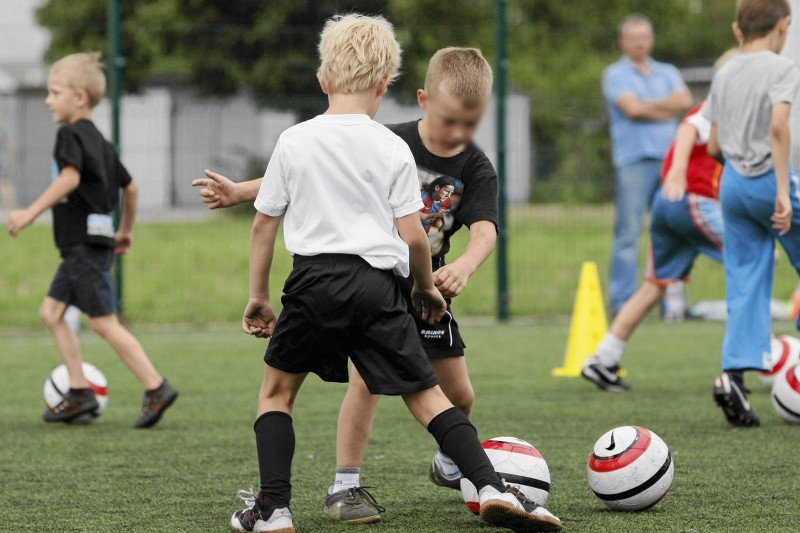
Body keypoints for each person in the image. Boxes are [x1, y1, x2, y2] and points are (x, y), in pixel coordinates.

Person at [227, 15, 562, 533]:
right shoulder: (391, 147)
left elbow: (264, 227)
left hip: (313, 282)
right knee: (427, 395)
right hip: (379, 287)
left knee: (276, 394)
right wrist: (426, 287)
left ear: (322, 79)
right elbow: (411, 238)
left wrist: (257, 298)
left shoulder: (293, 140)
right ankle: (493, 485)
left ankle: (274, 510)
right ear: (386, 85)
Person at [197, 47, 502, 525]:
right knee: (369, 381)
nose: (458, 133)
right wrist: (240, 190)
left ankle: (455, 466)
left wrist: (462, 266)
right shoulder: (389, 140)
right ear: (421, 100)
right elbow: (312, 169)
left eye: (470, 124)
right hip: (388, 282)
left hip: (423, 290)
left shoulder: (475, 167)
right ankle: (347, 485)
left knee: (457, 394)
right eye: (449, 121)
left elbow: (483, 229)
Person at [5, 52, 178, 427]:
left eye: (54, 92)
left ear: (79, 97)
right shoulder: (100, 141)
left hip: (82, 247)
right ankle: (80, 392)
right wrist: (126, 231)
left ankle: (156, 386)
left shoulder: (68, 134)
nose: (49, 100)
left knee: (103, 322)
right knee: (51, 313)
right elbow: (130, 188)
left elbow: (68, 179)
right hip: (91, 244)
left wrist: (27, 213)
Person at [583, 97, 725, 392]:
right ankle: (760, 359)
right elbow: (689, 127)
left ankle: (604, 358)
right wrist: (676, 172)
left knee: (655, 285)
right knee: (757, 260)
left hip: (668, 204)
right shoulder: (722, 101)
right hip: (692, 200)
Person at [705, 0, 800, 427]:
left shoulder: (725, 71)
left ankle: (734, 379)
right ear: (783, 26)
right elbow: (779, 126)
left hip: (733, 185)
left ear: (739, 28)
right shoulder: (781, 67)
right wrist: (782, 189)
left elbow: (712, 145)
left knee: (745, 281)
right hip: (770, 180)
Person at [603, 14, 693, 314]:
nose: (640, 43)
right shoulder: (615, 74)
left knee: (671, 231)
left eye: (644, 37)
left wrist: (648, 106)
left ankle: (672, 304)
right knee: (629, 234)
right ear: (623, 42)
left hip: (671, 164)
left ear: (651, 40)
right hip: (633, 162)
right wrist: (665, 107)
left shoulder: (667, 71)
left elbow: (685, 101)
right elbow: (632, 109)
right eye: (634, 38)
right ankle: (623, 303)